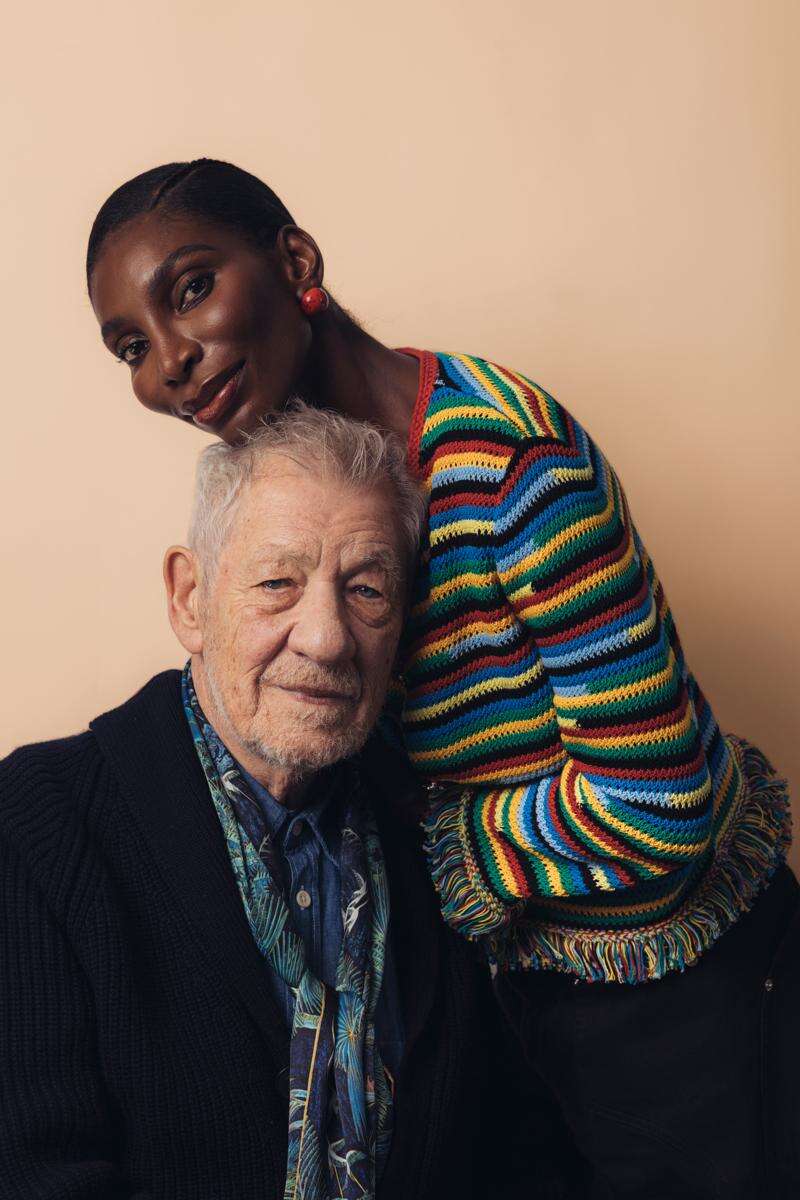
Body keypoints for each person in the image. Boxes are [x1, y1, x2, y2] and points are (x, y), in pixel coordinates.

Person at [85, 159, 799, 1197]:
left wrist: (444, 854)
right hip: (522, 993)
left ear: (296, 263)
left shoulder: (509, 463)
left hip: (681, 992)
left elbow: (660, 801)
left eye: (191, 289)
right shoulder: (317, 487)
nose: (171, 363)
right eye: (131, 348)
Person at [0, 407, 554, 1199]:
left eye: (366, 590)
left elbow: (518, 1153)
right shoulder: (37, 826)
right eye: (277, 584)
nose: (326, 637)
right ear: (190, 598)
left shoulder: (444, 834)